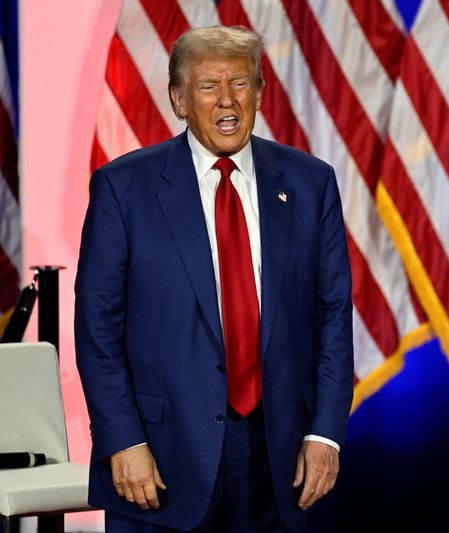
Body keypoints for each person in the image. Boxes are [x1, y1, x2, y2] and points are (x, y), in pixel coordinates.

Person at [75, 26, 353, 532]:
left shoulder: (311, 182)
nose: (227, 100)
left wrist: (326, 434)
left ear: (261, 94)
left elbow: (332, 315)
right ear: (179, 100)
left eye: (241, 84)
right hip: (159, 461)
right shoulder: (123, 188)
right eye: (208, 86)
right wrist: (122, 440)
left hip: (281, 460)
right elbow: (97, 328)